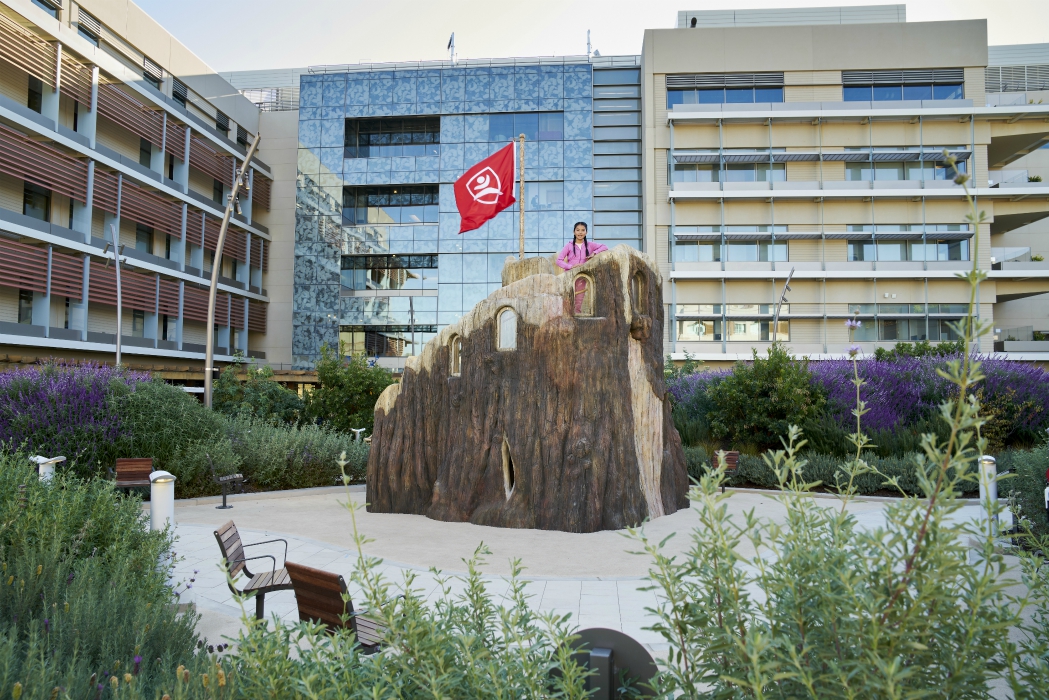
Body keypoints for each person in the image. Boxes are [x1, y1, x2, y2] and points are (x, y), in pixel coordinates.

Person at [556, 222, 607, 313]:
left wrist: (594, 253)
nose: (580, 232)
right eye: (578, 230)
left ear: (586, 232)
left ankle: (577, 322)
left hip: (582, 277)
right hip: (569, 276)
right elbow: (559, 260)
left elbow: (604, 247)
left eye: (583, 230)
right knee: (567, 299)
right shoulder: (569, 245)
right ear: (574, 232)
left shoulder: (590, 245)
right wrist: (570, 266)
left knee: (579, 300)